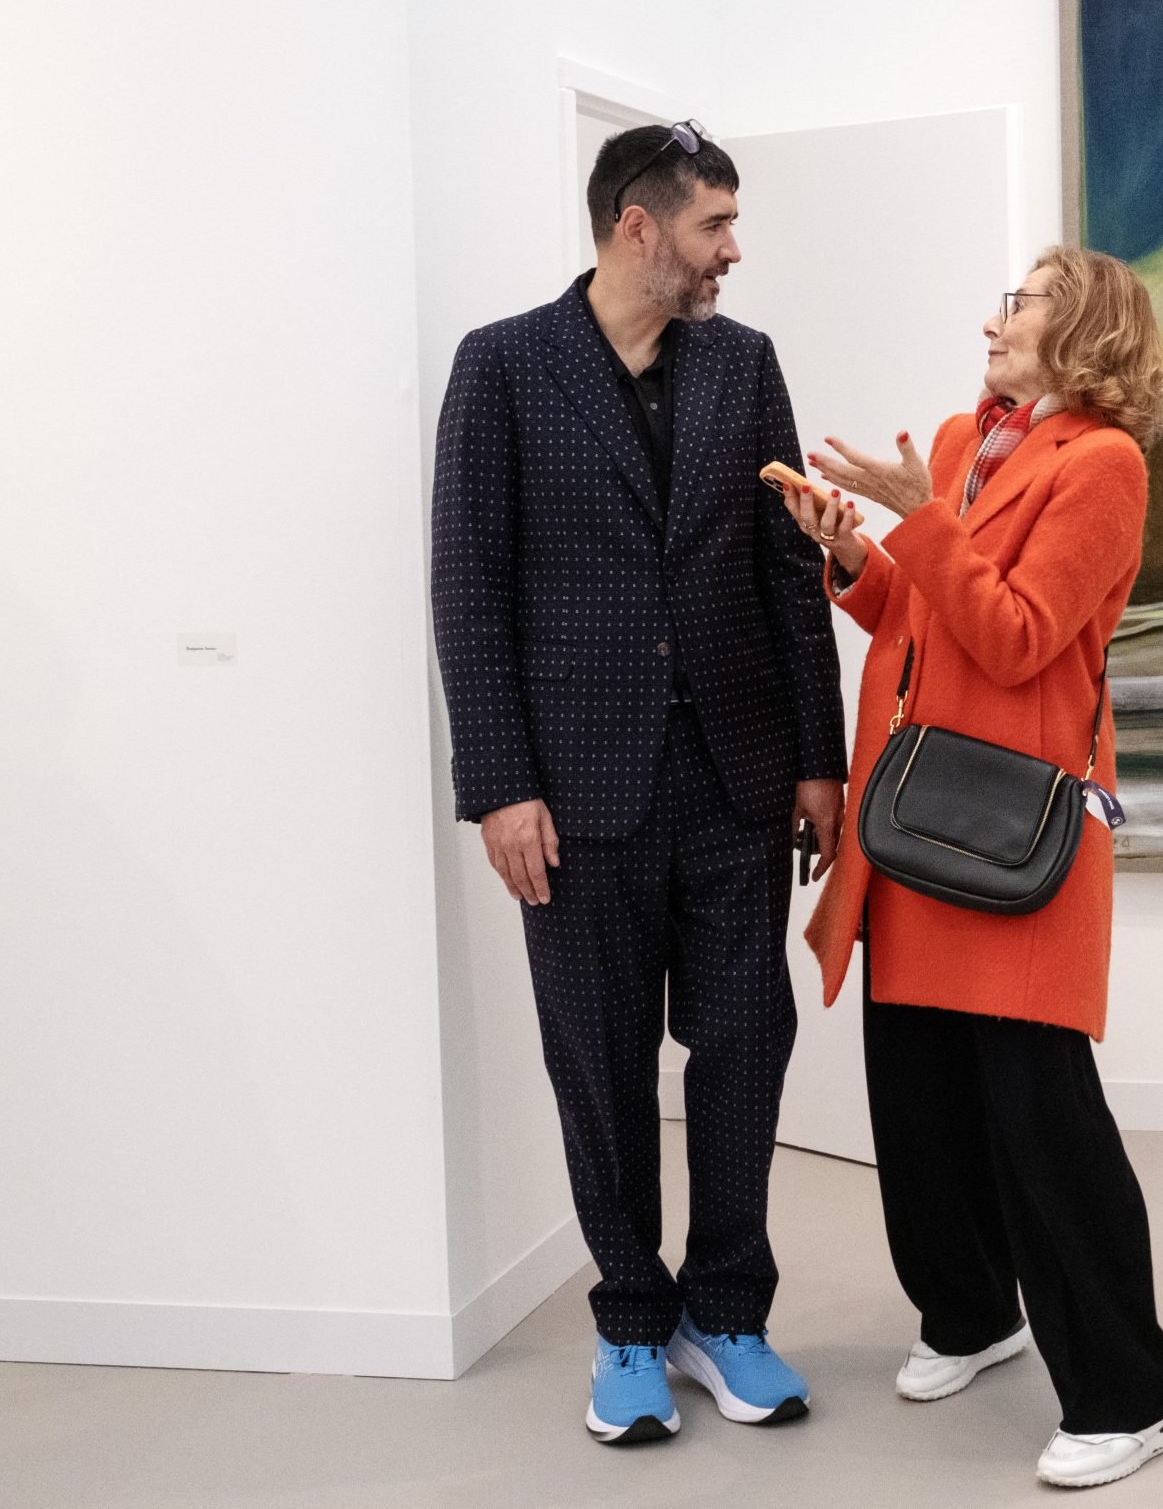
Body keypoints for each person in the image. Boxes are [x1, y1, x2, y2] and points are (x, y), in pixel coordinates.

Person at [430, 122, 847, 1444]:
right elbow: (469, 585)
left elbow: (789, 575)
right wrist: (498, 783)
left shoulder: (745, 364)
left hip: (732, 777)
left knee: (743, 1047)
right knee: (599, 1062)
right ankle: (626, 1320)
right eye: (716, 223)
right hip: (574, 792)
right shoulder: (501, 368)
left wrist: (818, 758)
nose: (735, 247)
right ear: (637, 227)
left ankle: (726, 1309)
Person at [779, 246, 1163, 1490]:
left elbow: (1014, 641)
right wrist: (855, 557)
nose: (990, 322)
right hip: (911, 818)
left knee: (1040, 1117)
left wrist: (921, 517)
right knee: (918, 1100)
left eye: (1016, 307)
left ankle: (1132, 1393)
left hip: (1014, 833)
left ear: (1087, 332)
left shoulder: (1103, 467)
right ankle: (970, 1315)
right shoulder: (967, 438)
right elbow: (923, 613)